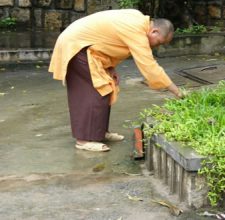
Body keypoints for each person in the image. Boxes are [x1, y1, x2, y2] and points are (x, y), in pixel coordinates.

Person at [49, 9, 183, 152]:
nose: (157, 46)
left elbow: (110, 40)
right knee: (95, 91)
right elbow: (149, 66)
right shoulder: (136, 30)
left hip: (87, 47)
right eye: (159, 42)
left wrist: (110, 67)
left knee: (107, 88)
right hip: (77, 47)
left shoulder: (138, 20)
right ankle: (83, 140)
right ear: (154, 32)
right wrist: (177, 91)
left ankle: (99, 132)